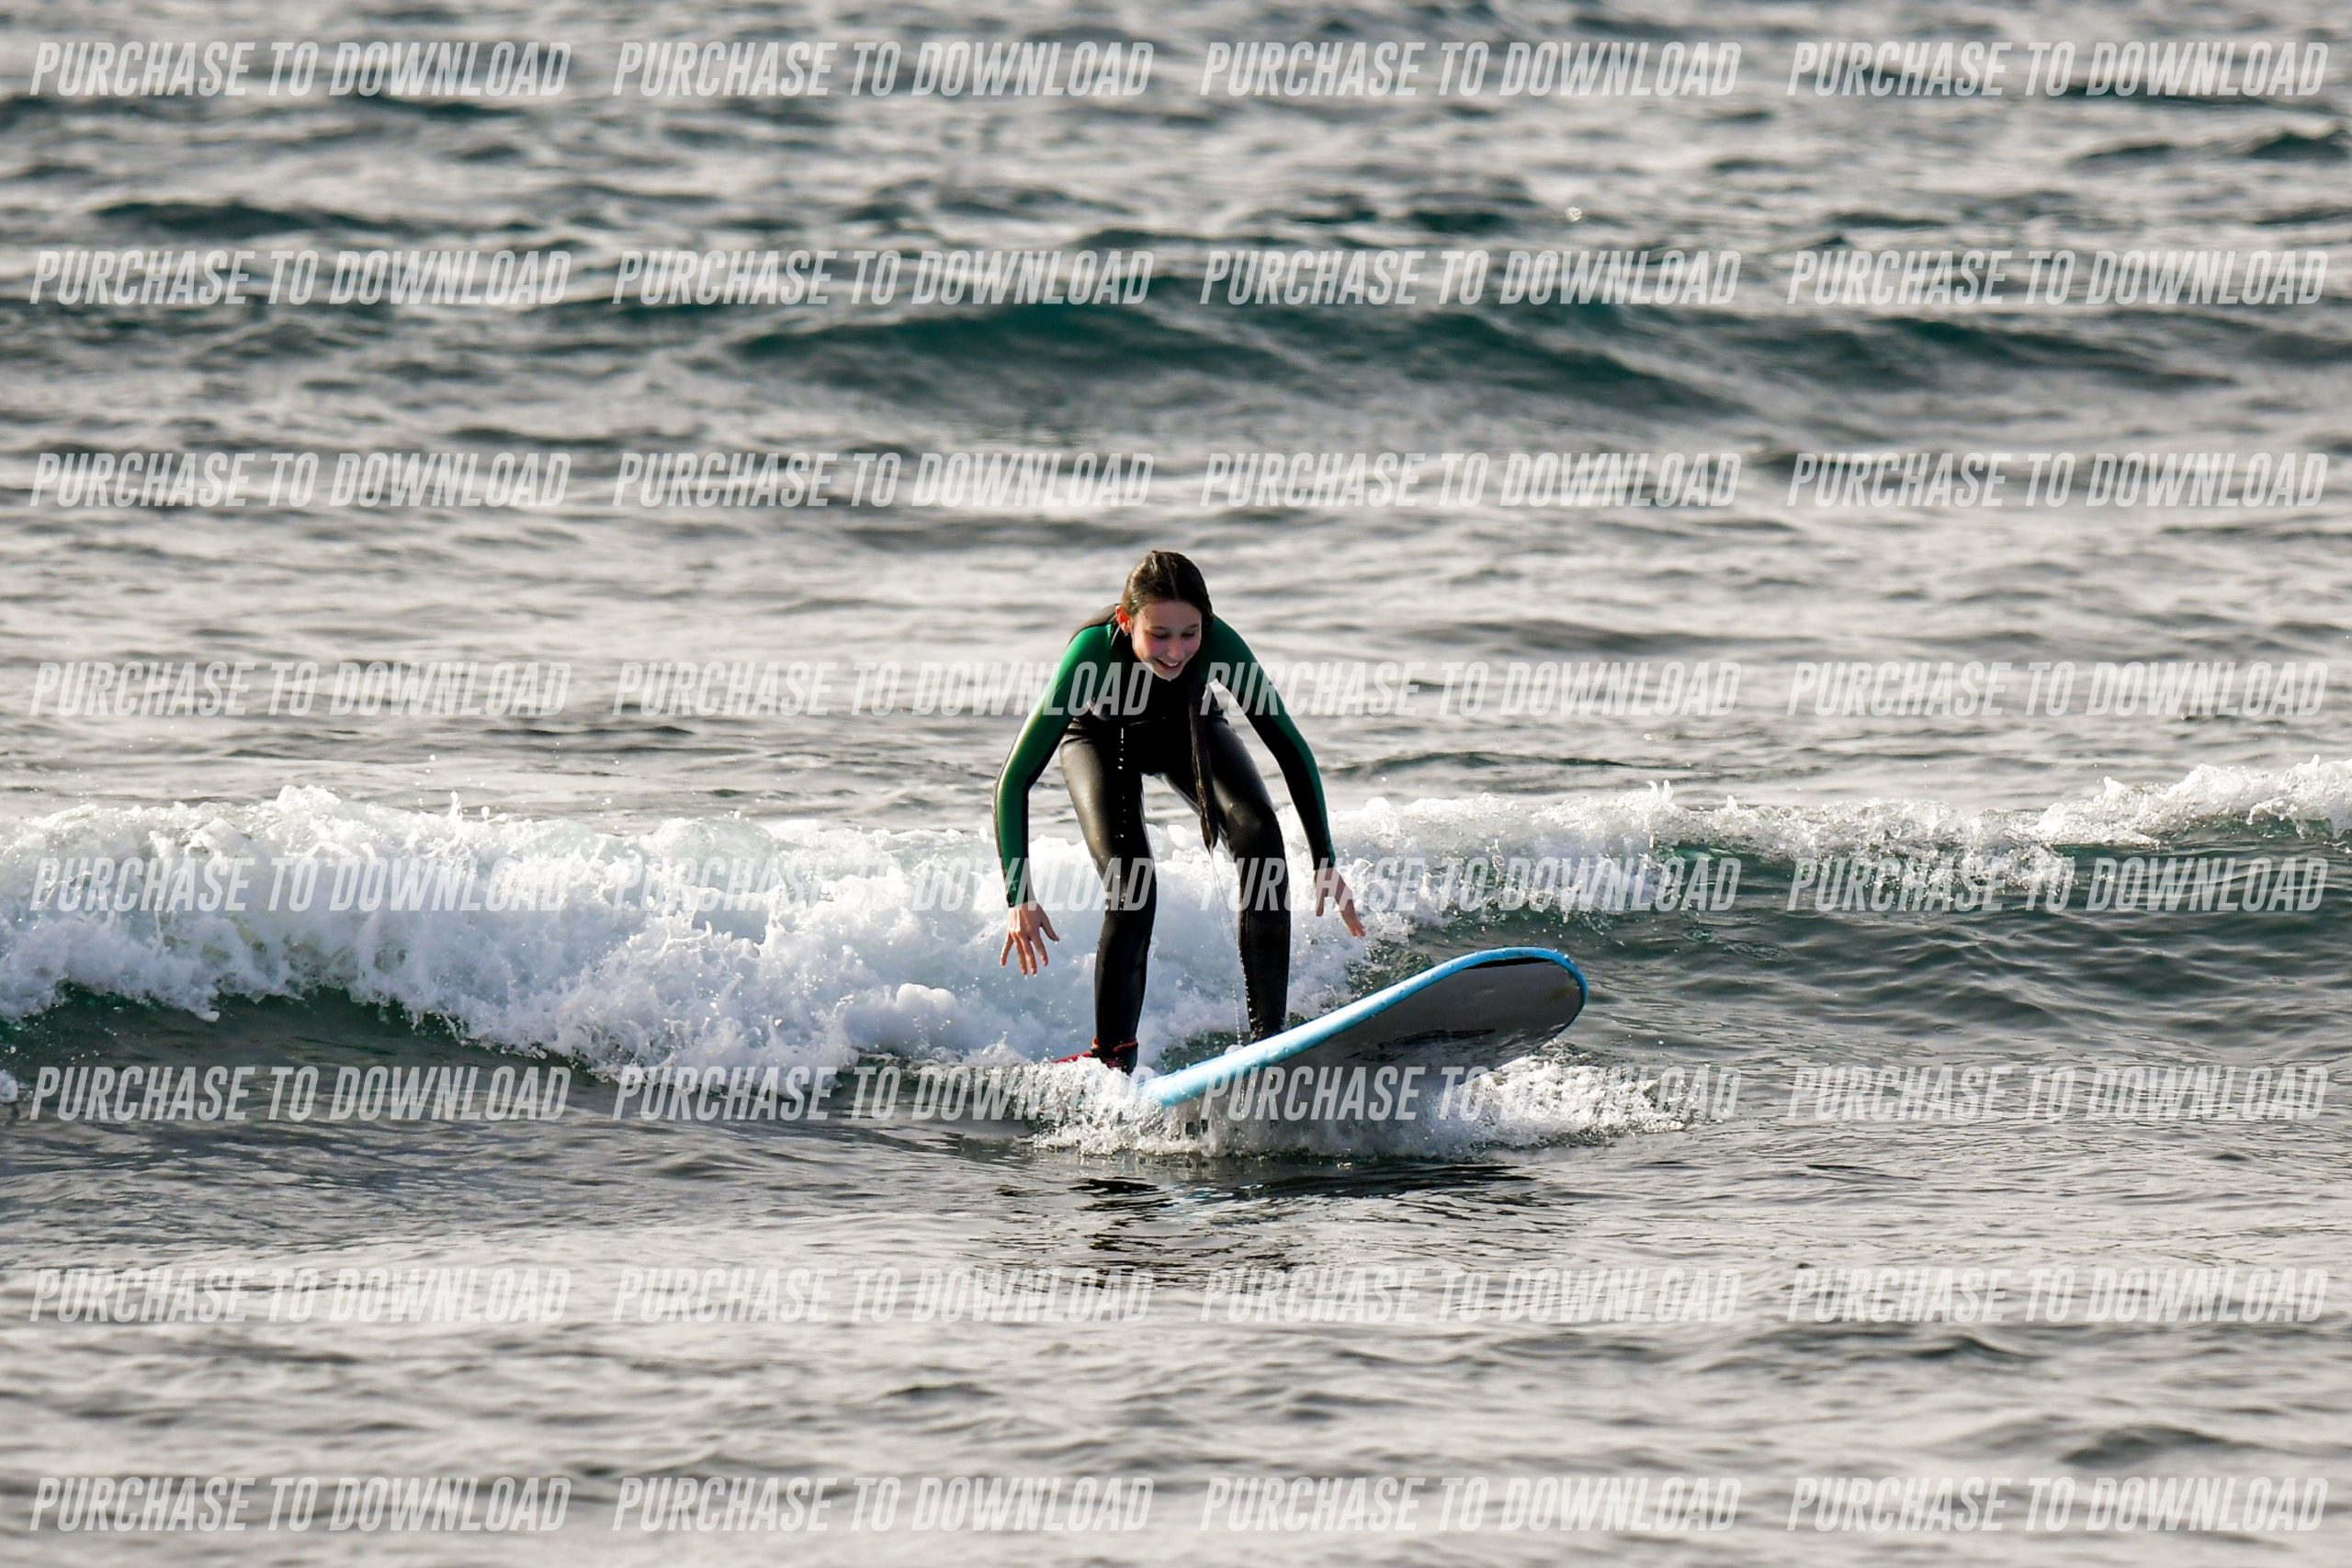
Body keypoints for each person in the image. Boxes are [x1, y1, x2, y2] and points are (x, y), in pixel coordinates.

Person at [995, 550, 1364, 1072]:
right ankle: (1113, 1057)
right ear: (1127, 621)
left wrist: (1325, 861)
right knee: (1132, 884)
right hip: (1099, 740)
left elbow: (1290, 747)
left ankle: (1268, 1041)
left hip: (1186, 726)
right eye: (1159, 635)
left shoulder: (1220, 645)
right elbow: (1013, 781)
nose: (1175, 652)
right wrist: (1020, 896)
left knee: (1260, 835)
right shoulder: (1091, 654)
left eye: (1189, 634)